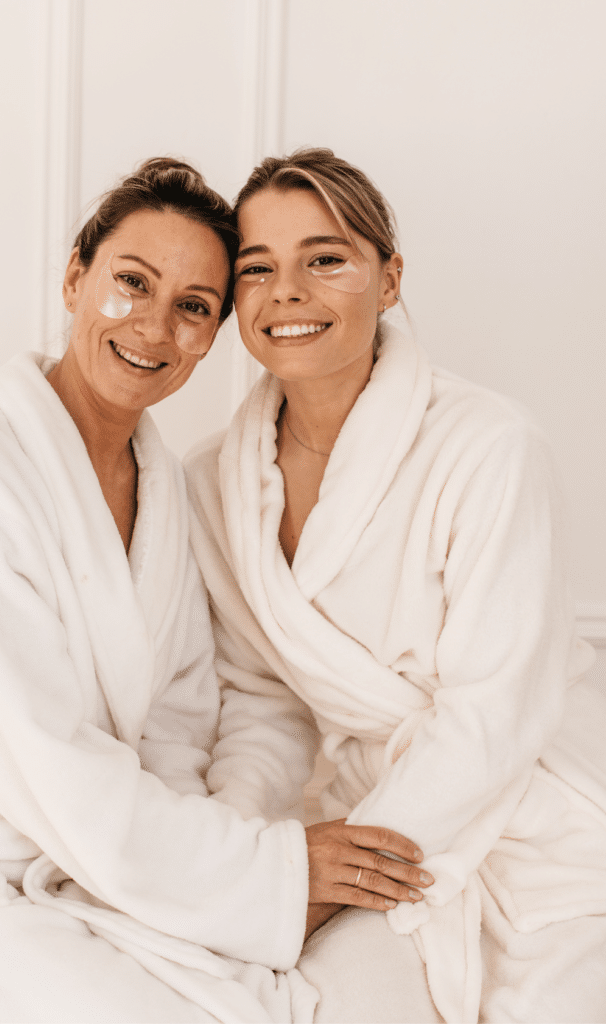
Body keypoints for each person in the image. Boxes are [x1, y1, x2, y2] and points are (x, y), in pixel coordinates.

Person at [0, 157, 436, 1024]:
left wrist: (221, 874)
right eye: (131, 282)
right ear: (74, 277)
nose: (155, 327)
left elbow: (176, 726)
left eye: (194, 307)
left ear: (215, 333)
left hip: (99, 868)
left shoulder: (164, 486)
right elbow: (46, 758)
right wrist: (265, 873)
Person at [186, 149, 606, 1023]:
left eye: (324, 258)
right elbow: (263, 700)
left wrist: (347, 868)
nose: (287, 291)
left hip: (525, 804)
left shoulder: (488, 446)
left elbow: (493, 715)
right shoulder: (211, 482)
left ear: (388, 279)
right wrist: (247, 866)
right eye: (256, 268)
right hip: (364, 809)